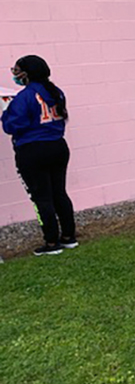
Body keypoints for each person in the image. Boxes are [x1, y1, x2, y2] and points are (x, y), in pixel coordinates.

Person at [1, 55, 78, 256]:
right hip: (58, 146)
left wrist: (5, 112)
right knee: (59, 192)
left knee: (41, 197)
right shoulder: (56, 92)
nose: (14, 75)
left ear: (26, 73)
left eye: (16, 71)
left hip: (32, 150)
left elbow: (11, 126)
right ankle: (69, 237)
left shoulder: (24, 97)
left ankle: (51, 243)